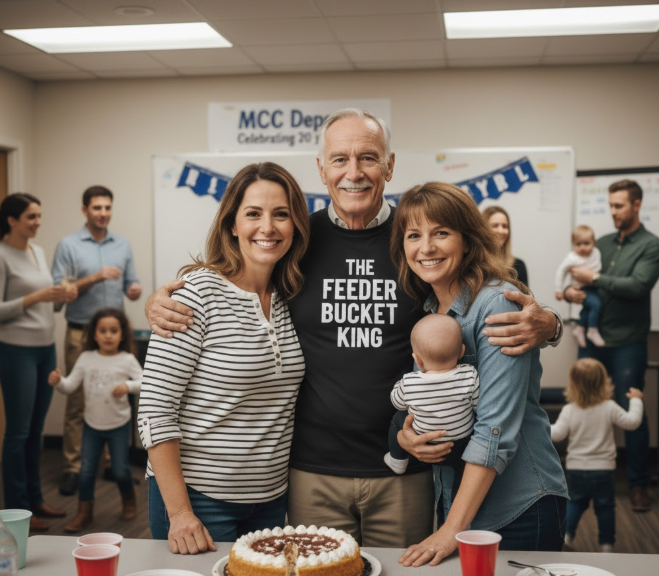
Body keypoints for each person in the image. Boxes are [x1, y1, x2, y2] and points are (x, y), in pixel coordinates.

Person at [145, 108, 563, 547]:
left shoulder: (413, 235)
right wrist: (162, 302)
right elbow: (240, 277)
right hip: (310, 470)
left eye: (368, 157)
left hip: (407, 465)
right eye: (340, 159)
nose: (354, 172)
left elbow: (478, 291)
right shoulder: (298, 241)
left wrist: (549, 324)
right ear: (321, 169)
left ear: (390, 165)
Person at [392, 182, 568, 567]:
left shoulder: (496, 302)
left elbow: (495, 430)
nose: (426, 247)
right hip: (460, 501)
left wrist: (450, 527)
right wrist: (409, 437)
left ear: (468, 241)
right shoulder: (430, 309)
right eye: (414, 235)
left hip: (519, 505)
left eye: (441, 233)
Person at [138, 162, 309, 555]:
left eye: (281, 214)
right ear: (232, 224)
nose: (268, 227)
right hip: (197, 501)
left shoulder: (292, 296)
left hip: (269, 500)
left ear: (296, 224)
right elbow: (154, 410)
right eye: (253, 213)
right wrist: (180, 512)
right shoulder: (195, 295)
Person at [566, 178, 659, 513]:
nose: (613, 212)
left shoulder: (651, 245)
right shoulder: (601, 242)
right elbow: (583, 281)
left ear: (636, 205)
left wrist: (596, 280)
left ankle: (637, 485)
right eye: (610, 206)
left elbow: (637, 286)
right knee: (584, 405)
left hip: (627, 343)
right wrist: (574, 292)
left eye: (619, 206)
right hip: (593, 338)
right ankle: (578, 482)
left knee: (630, 406)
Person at [52, 185, 142, 496]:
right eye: (96, 208)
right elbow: (58, 293)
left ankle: (110, 464)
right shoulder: (69, 245)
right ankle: (73, 468)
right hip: (81, 332)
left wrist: (134, 290)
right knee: (79, 400)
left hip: (115, 336)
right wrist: (95, 277)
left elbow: (132, 282)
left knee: (112, 396)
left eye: (107, 208)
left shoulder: (123, 245)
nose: (103, 214)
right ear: (85, 210)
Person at [0, 193, 77, 531]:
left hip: (45, 349)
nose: (38, 222)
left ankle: (35, 501)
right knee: (17, 433)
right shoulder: (2, 255)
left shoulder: (38, 251)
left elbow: (48, 305)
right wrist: (37, 296)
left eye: (39, 216)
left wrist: (61, 297)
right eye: (31, 217)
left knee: (36, 430)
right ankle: (16, 513)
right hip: (16, 351)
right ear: (12, 220)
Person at [48, 308, 142, 532]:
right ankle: (84, 513)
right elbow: (70, 386)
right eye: (103, 331)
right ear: (94, 335)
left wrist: (127, 386)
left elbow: (144, 381)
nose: (108, 335)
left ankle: (129, 500)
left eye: (114, 330)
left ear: (122, 334)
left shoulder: (127, 359)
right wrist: (58, 381)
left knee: (120, 470)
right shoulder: (86, 358)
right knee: (87, 471)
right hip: (91, 425)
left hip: (118, 425)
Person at [550, 358, 643, 553]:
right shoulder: (609, 407)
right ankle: (606, 546)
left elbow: (557, 433)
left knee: (575, 503)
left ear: (573, 384)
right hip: (604, 470)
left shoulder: (570, 409)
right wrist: (635, 400)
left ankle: (567, 536)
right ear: (604, 382)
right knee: (605, 508)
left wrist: (539, 426)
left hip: (576, 470)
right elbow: (632, 422)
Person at [385, 314, 479, 479]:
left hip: (425, 443)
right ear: (462, 351)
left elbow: (397, 403)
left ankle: (397, 460)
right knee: (462, 475)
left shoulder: (409, 382)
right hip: (462, 445)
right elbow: (479, 406)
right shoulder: (469, 375)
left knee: (397, 418)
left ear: (417, 360)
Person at [555, 225, 604, 348]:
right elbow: (561, 272)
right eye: (578, 244)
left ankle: (580, 329)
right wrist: (559, 289)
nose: (582, 247)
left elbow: (597, 269)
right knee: (596, 304)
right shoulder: (572, 258)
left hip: (593, 287)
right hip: (581, 289)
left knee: (588, 308)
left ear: (594, 242)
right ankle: (592, 330)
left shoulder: (596, 253)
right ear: (573, 244)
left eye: (587, 243)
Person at [482, 205, 528, 287]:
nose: (501, 231)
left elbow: (526, 297)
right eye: (495, 226)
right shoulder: (475, 265)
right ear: (483, 229)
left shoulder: (519, 265)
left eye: (505, 226)